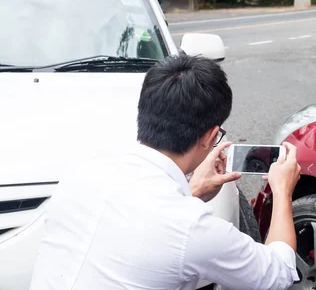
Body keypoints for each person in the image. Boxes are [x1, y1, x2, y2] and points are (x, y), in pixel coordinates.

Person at [30, 55, 301, 290]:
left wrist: (193, 192)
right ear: (211, 136)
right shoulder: (192, 227)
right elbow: (277, 273)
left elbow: (138, 227)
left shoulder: (81, 172)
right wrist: (281, 190)